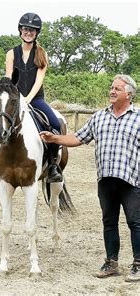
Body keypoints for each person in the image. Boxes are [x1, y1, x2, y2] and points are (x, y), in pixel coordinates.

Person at [40, 74, 139, 282]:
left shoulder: (138, 118)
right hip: (105, 180)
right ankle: (111, 263)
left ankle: (138, 265)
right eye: (111, 88)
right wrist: (54, 138)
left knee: (135, 223)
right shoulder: (99, 116)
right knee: (109, 222)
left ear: (128, 94)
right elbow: (77, 138)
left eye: (117, 89)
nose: (112, 91)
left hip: (131, 181)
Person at [0, 13, 62, 183]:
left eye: (32, 30)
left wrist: (29, 98)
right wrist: (16, 97)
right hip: (15, 99)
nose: (28, 32)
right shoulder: (11, 53)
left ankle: (53, 165)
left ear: (36, 33)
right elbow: (10, 78)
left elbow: (39, 80)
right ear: (20, 30)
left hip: (36, 99)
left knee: (55, 123)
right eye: (25, 29)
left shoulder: (42, 53)